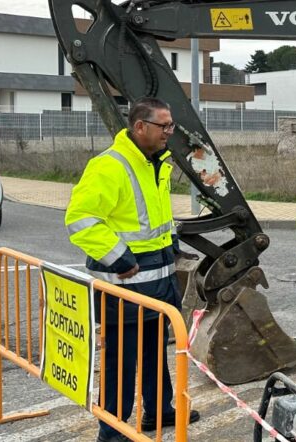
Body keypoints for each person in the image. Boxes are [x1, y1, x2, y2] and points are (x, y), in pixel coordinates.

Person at [65, 98, 199, 442]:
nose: (170, 132)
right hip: (123, 289)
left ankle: (159, 411)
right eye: (164, 126)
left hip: (157, 284)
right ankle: (112, 432)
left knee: (155, 351)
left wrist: (170, 245)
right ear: (140, 127)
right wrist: (120, 258)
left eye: (170, 125)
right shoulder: (110, 166)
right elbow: (81, 221)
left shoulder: (157, 162)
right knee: (120, 364)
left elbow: (154, 217)